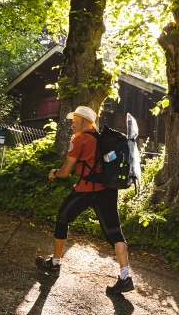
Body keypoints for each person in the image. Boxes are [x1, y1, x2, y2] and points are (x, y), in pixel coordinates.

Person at [35, 106, 133, 296]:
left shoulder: (80, 139)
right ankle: (125, 276)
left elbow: (65, 172)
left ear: (84, 121)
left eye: (75, 120)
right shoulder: (103, 139)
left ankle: (54, 264)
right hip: (107, 190)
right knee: (115, 233)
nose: (71, 124)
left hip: (87, 189)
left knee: (62, 218)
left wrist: (55, 173)